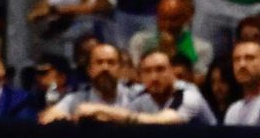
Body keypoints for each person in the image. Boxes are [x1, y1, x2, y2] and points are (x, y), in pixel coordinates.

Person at [80, 49, 217, 125]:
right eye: (147, 71)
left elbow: (162, 122)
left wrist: (99, 108)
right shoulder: (142, 99)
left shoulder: (188, 94)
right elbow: (122, 120)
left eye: (160, 69)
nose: (154, 77)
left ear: (172, 73)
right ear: (140, 77)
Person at [38, 42, 131, 123]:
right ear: (89, 70)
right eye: (99, 62)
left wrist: (99, 111)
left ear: (121, 69)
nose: (105, 68)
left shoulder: (133, 96)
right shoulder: (75, 100)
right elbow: (47, 118)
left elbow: (145, 117)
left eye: (111, 62)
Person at [128, 0, 212, 77]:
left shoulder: (201, 48)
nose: (167, 25)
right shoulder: (140, 41)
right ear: (157, 18)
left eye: (173, 19)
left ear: (185, 19)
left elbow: (199, 81)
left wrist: (171, 53)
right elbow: (134, 75)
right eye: (163, 19)